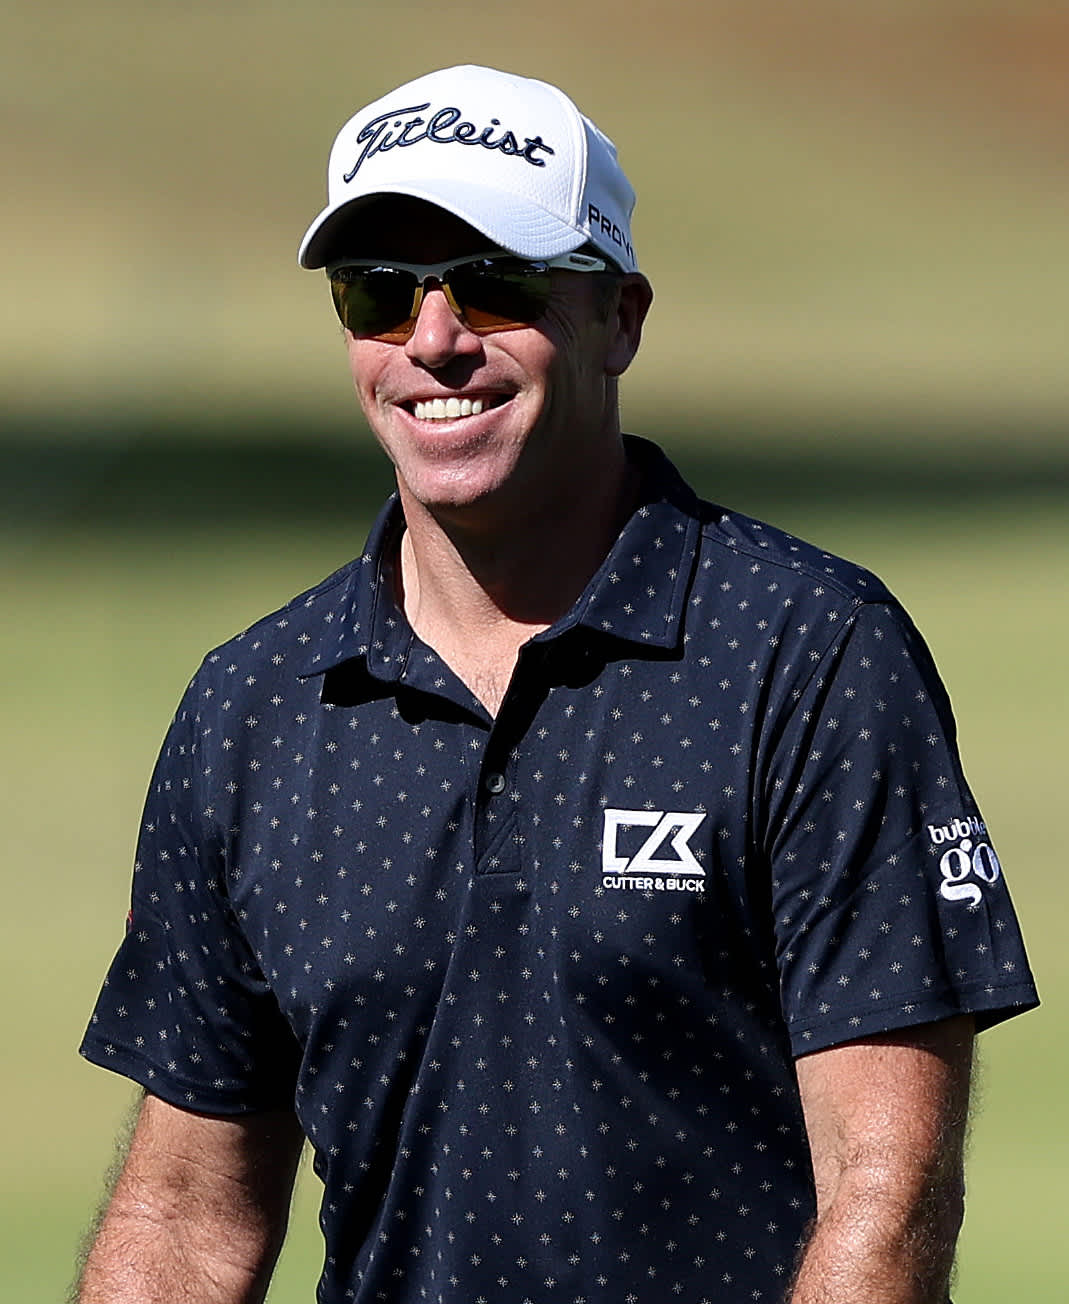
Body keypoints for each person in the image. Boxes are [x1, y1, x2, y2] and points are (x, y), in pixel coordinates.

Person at [76, 64, 1038, 1304]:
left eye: (494, 283)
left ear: (620, 316)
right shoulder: (255, 703)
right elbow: (186, 1212)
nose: (433, 340)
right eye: (379, 292)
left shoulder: (805, 651)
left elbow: (885, 1190)